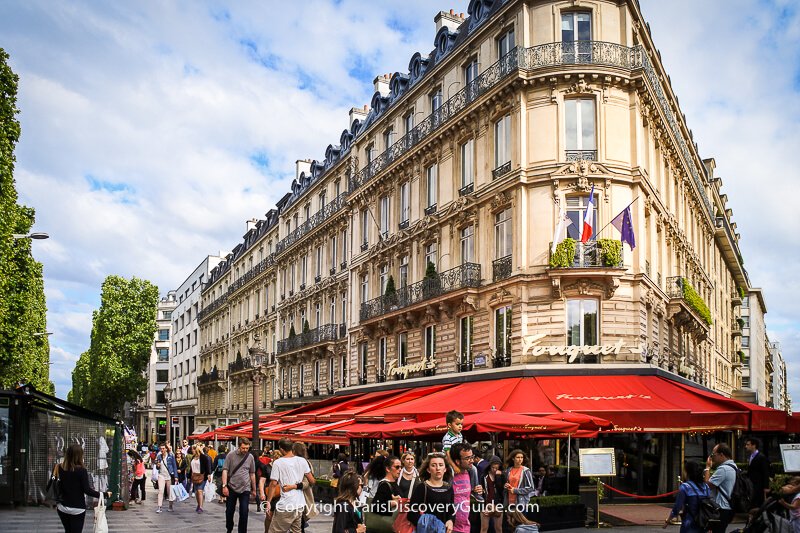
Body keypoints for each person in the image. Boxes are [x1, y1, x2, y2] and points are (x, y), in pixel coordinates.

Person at [54, 443, 112, 533]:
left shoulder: (59, 468)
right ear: (80, 456)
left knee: (68, 530)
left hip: (62, 507)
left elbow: (58, 486)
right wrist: (104, 494)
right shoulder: (81, 471)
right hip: (77, 508)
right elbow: (87, 490)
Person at [264, 438, 314, 533]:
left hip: (285, 504)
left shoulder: (278, 463)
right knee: (296, 531)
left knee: (274, 531)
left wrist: (268, 501)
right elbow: (312, 480)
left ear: (281, 449)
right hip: (299, 505)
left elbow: (273, 484)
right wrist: (298, 484)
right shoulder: (302, 461)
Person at [407, 452, 455, 532]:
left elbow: (451, 511)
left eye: (441, 465)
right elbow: (411, 514)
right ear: (428, 470)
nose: (438, 468)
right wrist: (428, 525)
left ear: (445, 469)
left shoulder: (448, 488)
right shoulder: (422, 488)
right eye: (433, 465)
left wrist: (451, 521)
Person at [222, 438, 257, 533]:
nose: (245, 450)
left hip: (245, 488)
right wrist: (224, 486)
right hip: (232, 487)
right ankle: (229, 528)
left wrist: (254, 489)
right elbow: (225, 470)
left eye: (247, 448)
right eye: (243, 448)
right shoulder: (231, 455)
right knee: (229, 511)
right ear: (239, 446)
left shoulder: (250, 457)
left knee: (244, 511)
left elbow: (252, 473)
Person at [665, 460, 711, 532]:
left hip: (689, 522)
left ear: (687, 473)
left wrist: (669, 519)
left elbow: (677, 507)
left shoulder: (685, 487)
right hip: (703, 522)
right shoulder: (706, 487)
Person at [450, 444, 483, 533]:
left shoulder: (470, 472)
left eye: (472, 457)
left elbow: (469, 496)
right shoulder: (448, 474)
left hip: (465, 527)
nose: (472, 461)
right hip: (449, 528)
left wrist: (476, 491)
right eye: (467, 458)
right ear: (457, 461)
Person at [705, 443, 736, 533]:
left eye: (713, 454)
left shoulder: (723, 469)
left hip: (721, 509)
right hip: (729, 507)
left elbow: (707, 486)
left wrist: (707, 467)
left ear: (721, 455)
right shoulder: (734, 467)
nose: (712, 457)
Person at [292, 441, 318, 530]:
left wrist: (295, 486)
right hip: (303, 494)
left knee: (298, 524)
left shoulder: (299, 462)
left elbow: (309, 481)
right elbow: (312, 481)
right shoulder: (307, 462)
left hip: (300, 495)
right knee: (299, 524)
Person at [479, 456, 505, 533]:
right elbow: (481, 489)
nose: (494, 470)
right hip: (486, 504)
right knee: (484, 528)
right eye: (493, 467)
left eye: (496, 468)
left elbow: (502, 490)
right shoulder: (484, 476)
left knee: (498, 528)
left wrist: (499, 476)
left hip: (498, 504)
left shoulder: (502, 475)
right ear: (489, 466)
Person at [745, 437, 771, 509]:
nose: (746, 446)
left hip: (759, 485)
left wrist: (766, 486)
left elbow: (766, 472)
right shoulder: (751, 456)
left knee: (758, 503)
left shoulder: (761, 457)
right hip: (752, 484)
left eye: (748, 444)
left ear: (754, 445)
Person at [154, 442, 178, 513]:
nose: (162, 450)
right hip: (161, 475)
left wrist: (176, 476)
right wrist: (157, 466)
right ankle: (159, 507)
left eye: (163, 448)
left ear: (166, 449)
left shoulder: (171, 456)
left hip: (169, 476)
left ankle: (170, 506)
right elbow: (157, 468)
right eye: (161, 449)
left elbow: (174, 466)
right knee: (161, 491)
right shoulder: (159, 456)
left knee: (169, 492)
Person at [191, 443, 212, 513]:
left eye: (193, 449)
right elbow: (191, 468)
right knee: (197, 492)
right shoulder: (193, 457)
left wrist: (209, 475)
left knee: (200, 491)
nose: (192, 451)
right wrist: (189, 476)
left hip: (202, 476)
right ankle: (199, 504)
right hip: (194, 476)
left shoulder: (203, 457)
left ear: (196, 450)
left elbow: (207, 466)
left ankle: (200, 507)